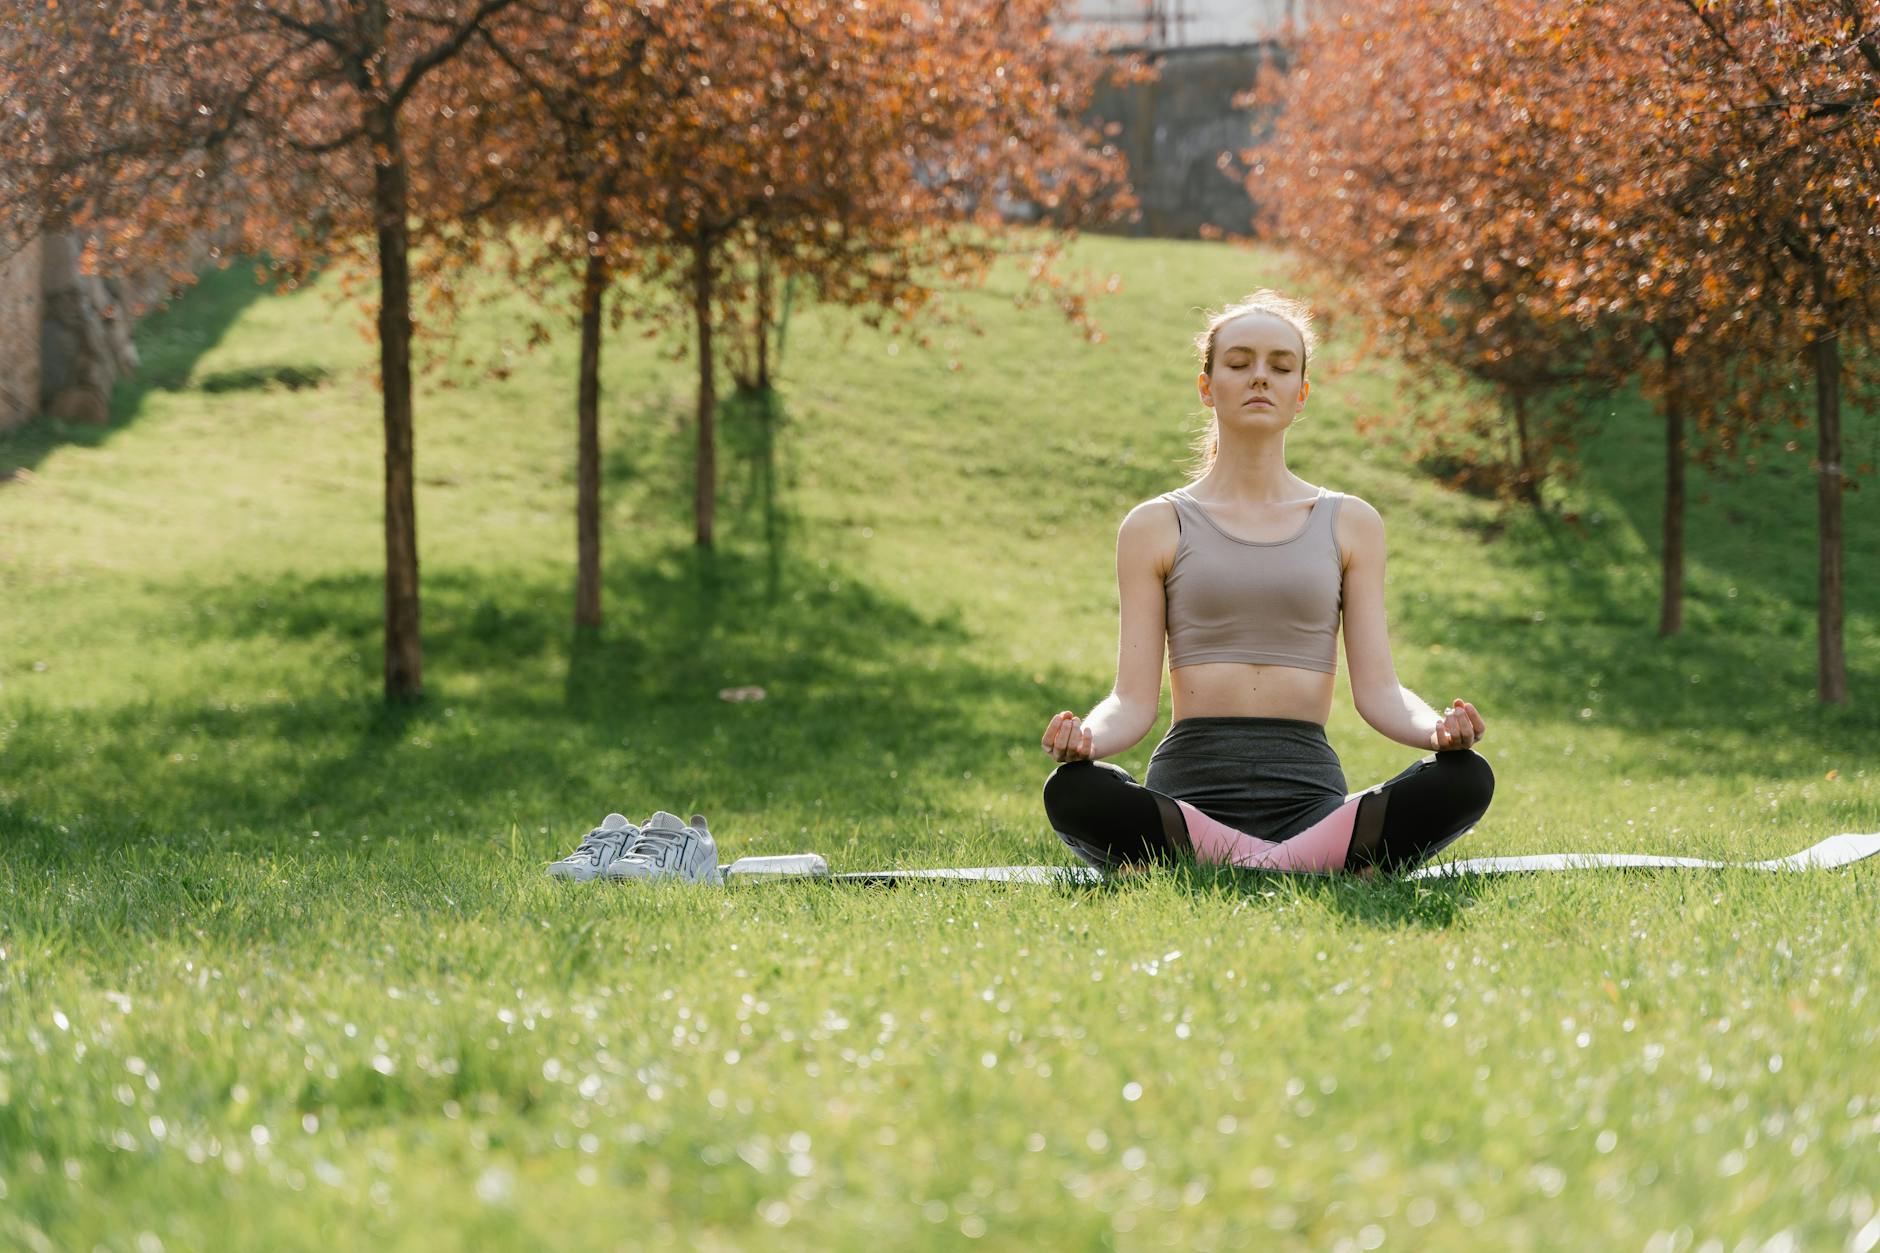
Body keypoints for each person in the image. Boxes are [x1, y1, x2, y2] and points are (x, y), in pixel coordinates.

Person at [1040, 290, 1494, 876]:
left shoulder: (1350, 522)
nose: (1260, 378)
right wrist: (1086, 741)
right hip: (1187, 800)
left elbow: (1380, 692)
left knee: (1464, 778)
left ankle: (1227, 864)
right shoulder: (1156, 525)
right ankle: (1306, 866)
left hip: (1311, 800)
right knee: (1074, 790)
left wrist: (1436, 729)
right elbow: (1131, 702)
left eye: (1280, 367)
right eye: (1239, 363)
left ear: (1300, 394)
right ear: (1207, 386)